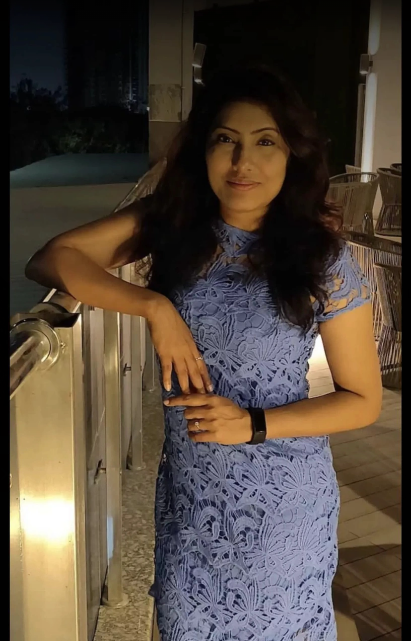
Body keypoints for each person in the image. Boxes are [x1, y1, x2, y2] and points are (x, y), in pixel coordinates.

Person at [26, 64, 382, 641]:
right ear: (204, 149)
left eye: (265, 142)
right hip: (192, 509)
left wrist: (253, 424)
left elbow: (363, 401)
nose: (243, 163)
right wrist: (154, 306)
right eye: (226, 140)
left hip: (284, 513)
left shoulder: (323, 257)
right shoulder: (172, 226)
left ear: (292, 155)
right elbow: (51, 259)